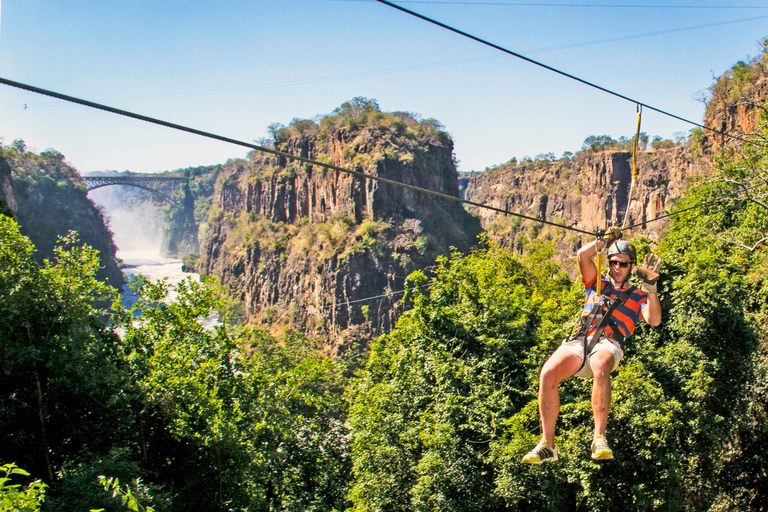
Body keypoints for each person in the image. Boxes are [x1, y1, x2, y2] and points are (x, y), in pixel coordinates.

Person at [522, 227, 662, 464]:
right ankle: (548, 445)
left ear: (631, 267)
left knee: (601, 364)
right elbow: (582, 256)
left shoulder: (639, 296)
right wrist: (604, 241)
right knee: (547, 373)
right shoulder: (597, 283)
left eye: (624, 264)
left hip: (609, 344)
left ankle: (599, 437)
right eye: (614, 262)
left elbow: (655, 320)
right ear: (609, 263)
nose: (618, 267)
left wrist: (651, 289)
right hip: (580, 340)